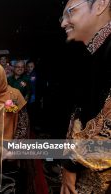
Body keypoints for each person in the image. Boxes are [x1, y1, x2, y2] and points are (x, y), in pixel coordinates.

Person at [60, 0, 111, 193]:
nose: (63, 23)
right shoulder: (93, 51)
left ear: (100, 4)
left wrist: (71, 164)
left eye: (70, 12)